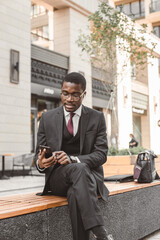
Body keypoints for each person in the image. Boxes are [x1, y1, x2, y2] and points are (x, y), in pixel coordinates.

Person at [35, 72, 114, 240]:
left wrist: (73, 159)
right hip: (58, 178)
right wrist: (41, 163)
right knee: (77, 172)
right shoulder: (47, 118)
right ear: (61, 92)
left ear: (83, 94)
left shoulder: (96, 117)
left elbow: (101, 154)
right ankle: (100, 232)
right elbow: (39, 157)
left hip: (88, 178)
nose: (69, 99)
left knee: (75, 191)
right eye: (65, 93)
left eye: (75, 94)